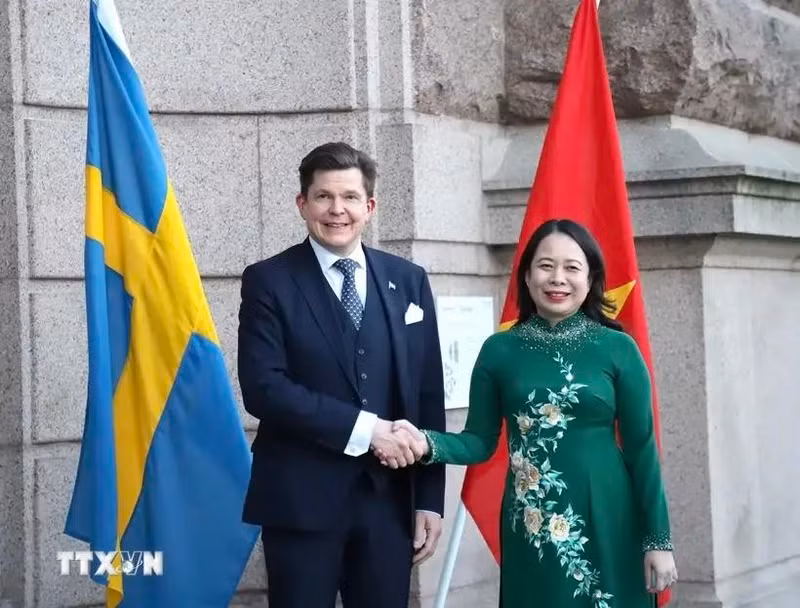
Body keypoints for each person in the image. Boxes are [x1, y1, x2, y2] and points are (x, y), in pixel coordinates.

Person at [383, 219, 678, 607]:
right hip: (532, 521)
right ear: (526, 275)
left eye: (572, 268)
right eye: (545, 266)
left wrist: (658, 540)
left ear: (590, 279)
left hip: (611, 516)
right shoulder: (498, 351)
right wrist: (426, 443)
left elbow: (643, 451)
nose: (558, 278)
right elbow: (479, 441)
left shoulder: (619, 348)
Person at [236, 141, 446, 608]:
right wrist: (368, 430)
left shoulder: (408, 279)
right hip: (300, 502)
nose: (337, 210)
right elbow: (264, 388)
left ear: (369, 207)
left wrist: (430, 499)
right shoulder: (268, 280)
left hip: (389, 502)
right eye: (324, 196)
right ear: (302, 204)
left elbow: (427, 393)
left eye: (350, 197)